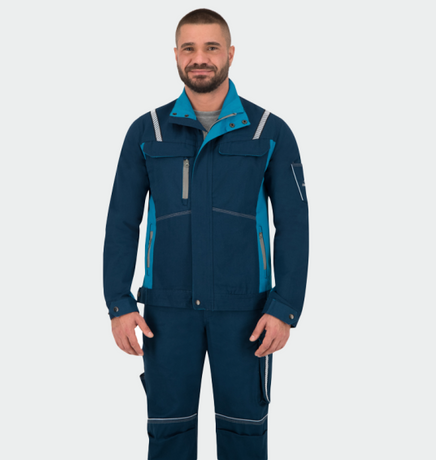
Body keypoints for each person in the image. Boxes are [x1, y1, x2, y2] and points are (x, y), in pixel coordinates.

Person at [103, 8, 309, 460]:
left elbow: (293, 225)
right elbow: (122, 221)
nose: (200, 58)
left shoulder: (269, 130)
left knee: (245, 435)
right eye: (190, 48)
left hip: (247, 314)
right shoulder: (147, 131)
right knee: (169, 436)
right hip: (166, 315)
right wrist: (119, 302)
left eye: (211, 47)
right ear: (176, 55)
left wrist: (285, 307)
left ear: (230, 53)